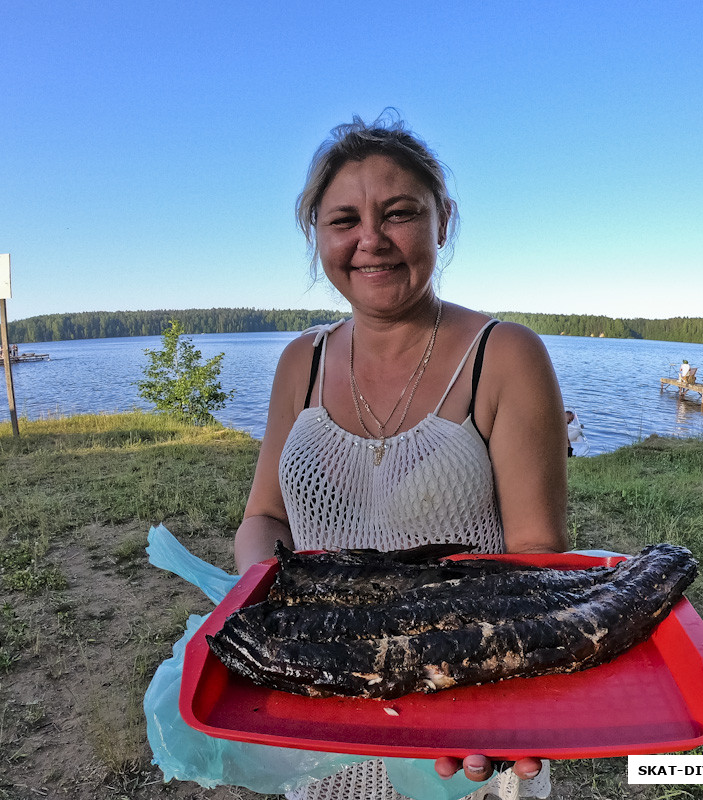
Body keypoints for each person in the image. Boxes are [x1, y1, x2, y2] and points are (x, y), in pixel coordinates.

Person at [234, 111, 568, 800]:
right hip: (322, 707)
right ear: (317, 237)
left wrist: (492, 705)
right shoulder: (301, 360)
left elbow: (536, 556)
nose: (371, 241)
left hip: (457, 701)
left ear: (442, 220)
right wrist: (267, 614)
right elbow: (264, 517)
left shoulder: (504, 356)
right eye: (343, 221)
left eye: (399, 213)